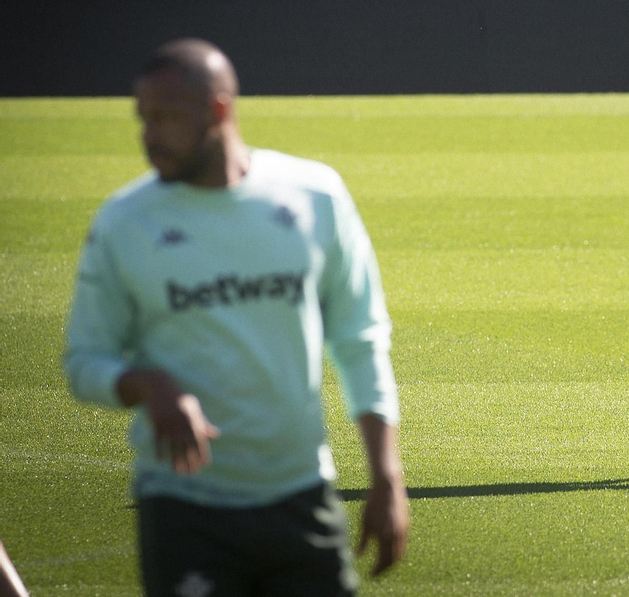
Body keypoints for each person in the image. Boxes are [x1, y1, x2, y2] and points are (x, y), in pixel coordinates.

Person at [63, 39, 409, 596]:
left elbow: (360, 336)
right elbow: (84, 359)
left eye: (166, 117)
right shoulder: (124, 223)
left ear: (218, 110)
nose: (148, 136)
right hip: (184, 508)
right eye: (142, 118)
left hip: (302, 496)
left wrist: (386, 475)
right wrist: (144, 384)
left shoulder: (313, 196)